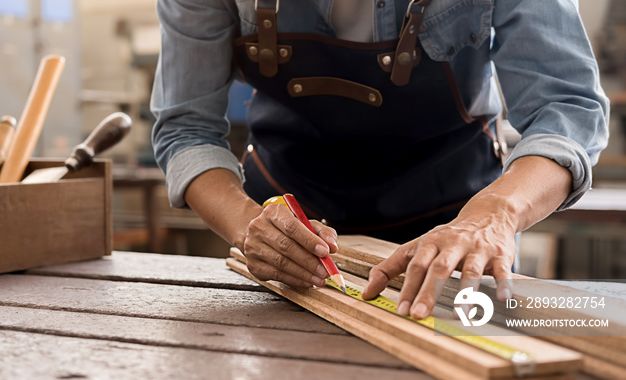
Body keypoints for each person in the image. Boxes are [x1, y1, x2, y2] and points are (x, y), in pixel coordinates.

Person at [151, 0, 609, 319]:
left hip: (455, 230)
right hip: (291, 239)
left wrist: (497, 214)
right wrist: (246, 223)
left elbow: (567, 109)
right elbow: (185, 128)